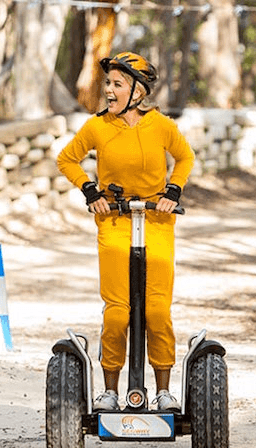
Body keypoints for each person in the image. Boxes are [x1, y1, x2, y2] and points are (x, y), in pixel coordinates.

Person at [56, 52, 195, 411]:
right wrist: (90, 191)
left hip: (157, 222)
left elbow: (185, 157)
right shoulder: (97, 127)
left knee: (157, 312)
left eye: (117, 84)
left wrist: (173, 191)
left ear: (138, 91)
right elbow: (66, 159)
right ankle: (110, 393)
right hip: (114, 222)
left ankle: (163, 392)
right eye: (108, 83)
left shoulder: (161, 125)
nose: (108, 90)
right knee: (117, 313)